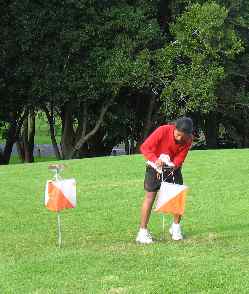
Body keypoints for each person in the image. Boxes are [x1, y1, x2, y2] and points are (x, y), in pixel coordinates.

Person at [136, 117, 193, 244]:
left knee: (178, 195)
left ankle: (175, 228)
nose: (179, 139)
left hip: (173, 168)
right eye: (178, 135)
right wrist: (155, 159)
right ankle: (142, 232)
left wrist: (173, 165)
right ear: (174, 128)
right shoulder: (163, 130)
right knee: (150, 197)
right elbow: (145, 147)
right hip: (154, 166)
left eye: (183, 137)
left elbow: (181, 157)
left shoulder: (188, 140)